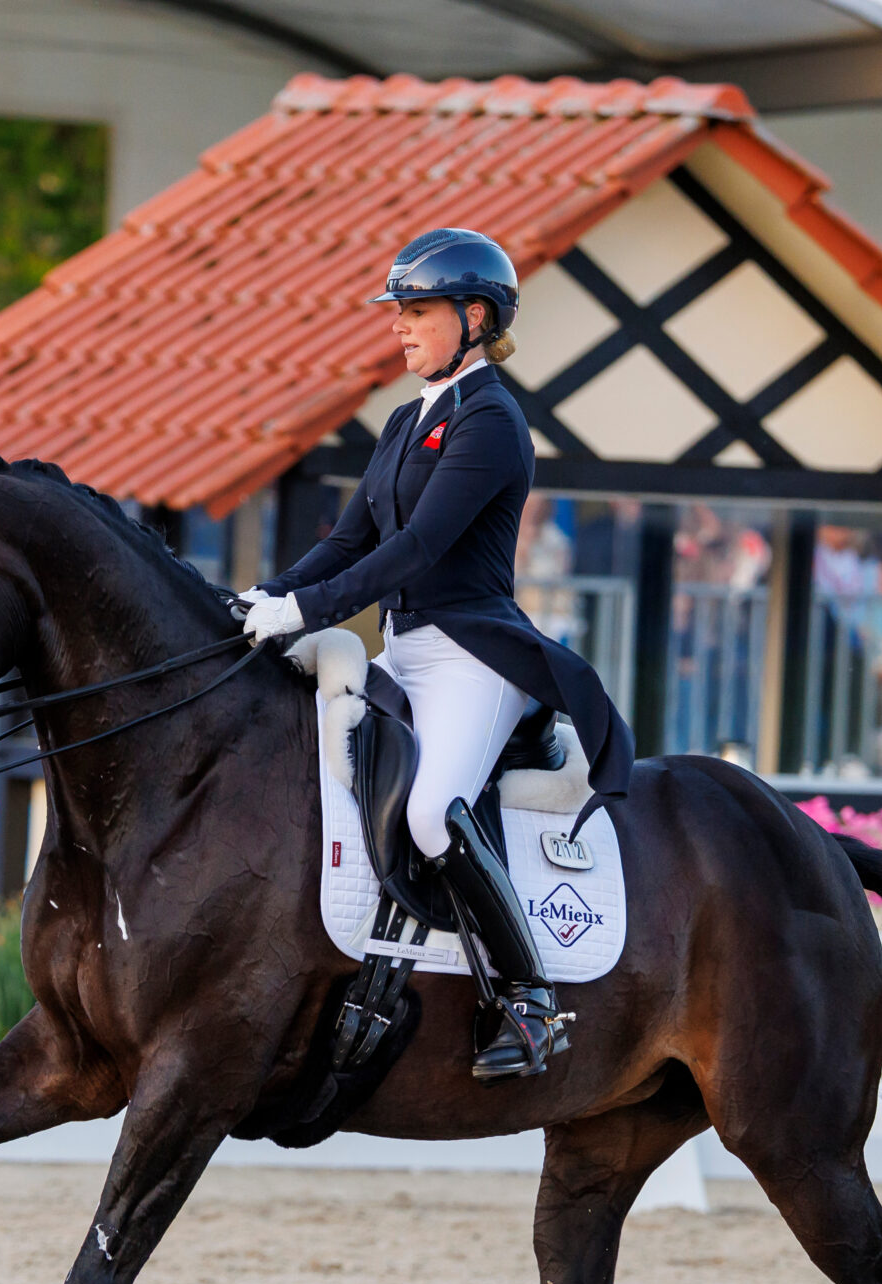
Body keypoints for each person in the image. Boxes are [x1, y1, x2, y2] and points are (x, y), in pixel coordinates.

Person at [242, 228, 630, 1080]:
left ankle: (528, 1001)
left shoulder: (493, 420)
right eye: (400, 313)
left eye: (417, 312)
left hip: (472, 656)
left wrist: (308, 611)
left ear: (476, 316)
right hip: (406, 651)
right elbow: (349, 541)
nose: (401, 328)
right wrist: (262, 600)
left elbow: (416, 548)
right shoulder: (404, 418)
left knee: (429, 810)